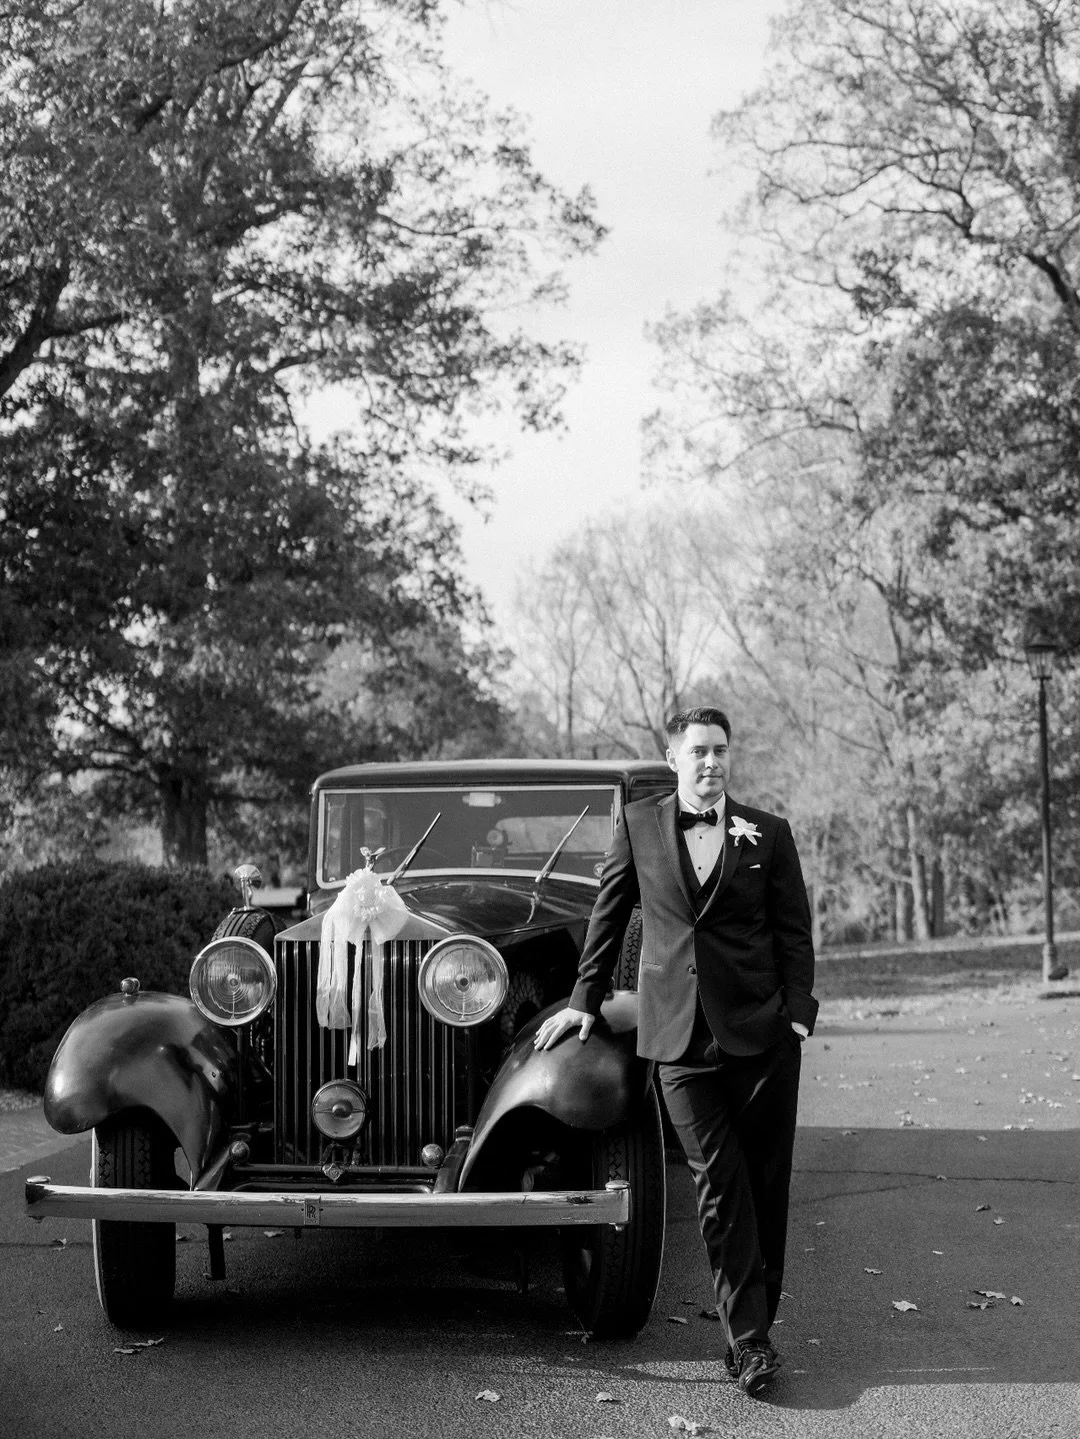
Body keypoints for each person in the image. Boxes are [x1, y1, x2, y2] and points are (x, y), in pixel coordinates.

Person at [534, 706, 817, 1399]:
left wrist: (798, 1015)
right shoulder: (639, 824)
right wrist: (583, 999)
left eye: (721, 749)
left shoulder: (769, 832)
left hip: (762, 1034)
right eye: (699, 750)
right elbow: (608, 913)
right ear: (673, 757)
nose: (712, 761)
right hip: (678, 1038)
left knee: (765, 1183)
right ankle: (750, 1341)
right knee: (718, 1180)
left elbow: (793, 929)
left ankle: (754, 1326)